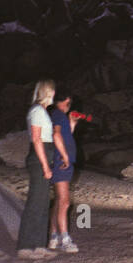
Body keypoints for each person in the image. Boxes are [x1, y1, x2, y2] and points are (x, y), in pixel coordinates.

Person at [16, 79, 67, 260]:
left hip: (45, 154)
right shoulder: (37, 111)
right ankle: (25, 247)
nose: (54, 94)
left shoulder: (43, 111)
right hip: (40, 157)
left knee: (43, 203)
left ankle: (38, 245)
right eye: (52, 91)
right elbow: (37, 140)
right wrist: (45, 165)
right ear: (47, 92)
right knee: (36, 203)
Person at [48, 87, 82, 253]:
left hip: (60, 161)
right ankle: (64, 239)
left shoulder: (59, 116)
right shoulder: (59, 115)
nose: (69, 105)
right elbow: (56, 135)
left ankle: (53, 236)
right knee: (65, 201)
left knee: (59, 201)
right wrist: (65, 156)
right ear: (63, 101)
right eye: (68, 102)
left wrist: (72, 123)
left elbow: (65, 135)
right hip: (62, 162)